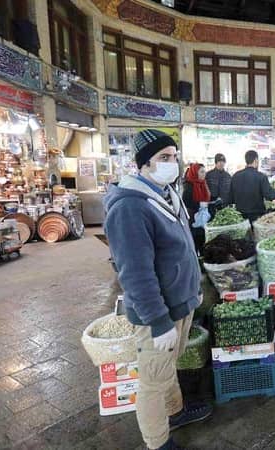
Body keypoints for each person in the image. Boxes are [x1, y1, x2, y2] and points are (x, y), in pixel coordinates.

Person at [103, 129, 212, 450]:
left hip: (180, 302)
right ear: (143, 164)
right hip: (158, 313)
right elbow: (135, 273)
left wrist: (194, 289)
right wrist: (158, 320)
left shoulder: (166, 193)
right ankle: (158, 441)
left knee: (167, 368)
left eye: (174, 157)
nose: (172, 163)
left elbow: (182, 250)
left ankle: (174, 412)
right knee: (152, 381)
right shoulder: (129, 207)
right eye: (163, 158)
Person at [230, 150, 275, 222]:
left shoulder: (235, 176)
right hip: (256, 215)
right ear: (256, 160)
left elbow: (231, 197)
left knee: (244, 233)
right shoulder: (261, 176)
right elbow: (269, 195)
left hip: (240, 215)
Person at [182, 163, 210, 253]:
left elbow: (207, 197)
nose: (204, 174)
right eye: (201, 172)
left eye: (204, 172)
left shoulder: (203, 183)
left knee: (204, 244)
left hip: (203, 218)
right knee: (195, 243)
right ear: (195, 173)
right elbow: (186, 201)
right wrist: (199, 204)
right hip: (193, 220)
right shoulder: (189, 185)